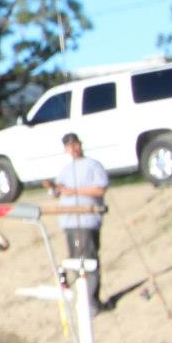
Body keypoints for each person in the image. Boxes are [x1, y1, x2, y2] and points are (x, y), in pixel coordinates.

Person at [48, 132, 110, 309]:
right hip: (71, 225)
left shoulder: (93, 165)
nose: (73, 149)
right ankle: (83, 299)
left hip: (87, 222)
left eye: (75, 144)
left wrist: (74, 192)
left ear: (80, 144)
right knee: (76, 259)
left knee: (88, 259)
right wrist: (54, 189)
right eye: (69, 146)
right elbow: (58, 192)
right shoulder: (65, 170)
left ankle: (92, 302)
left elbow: (100, 189)